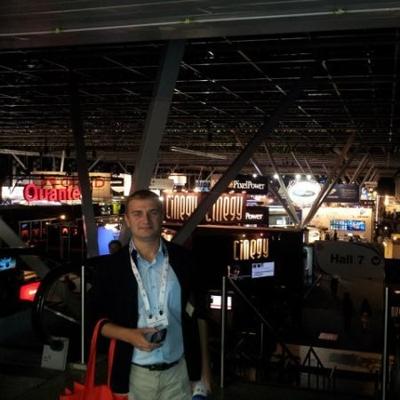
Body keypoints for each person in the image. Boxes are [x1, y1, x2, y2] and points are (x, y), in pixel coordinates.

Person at [90, 190, 210, 400]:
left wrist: (204, 373)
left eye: (152, 212)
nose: (145, 220)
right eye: (137, 213)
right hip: (133, 376)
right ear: (127, 220)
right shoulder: (111, 268)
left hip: (179, 374)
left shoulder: (185, 260)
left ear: (161, 216)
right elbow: (92, 319)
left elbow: (199, 316)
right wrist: (128, 335)